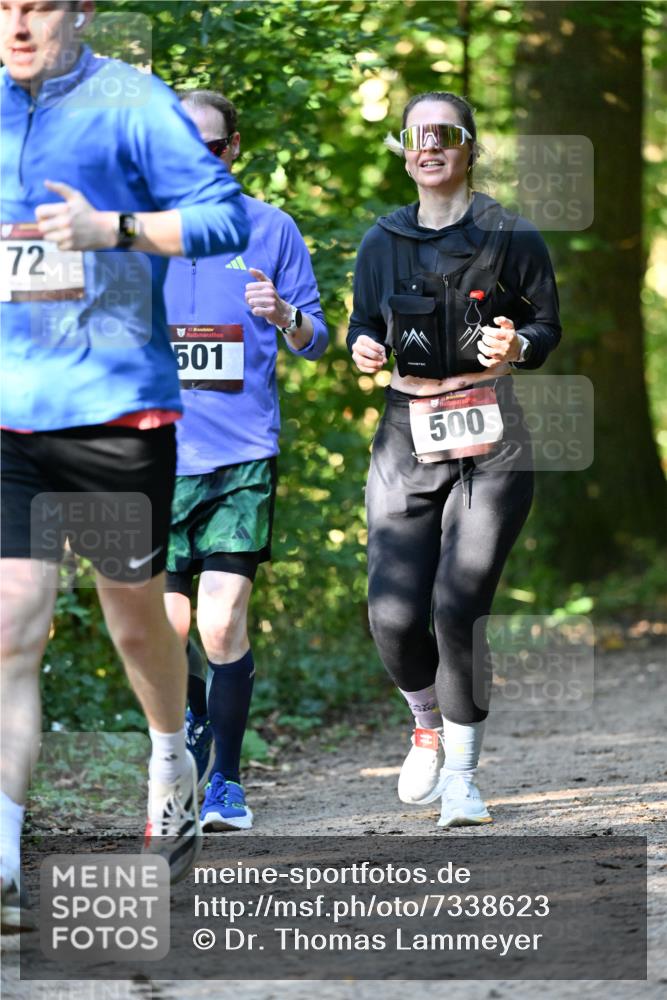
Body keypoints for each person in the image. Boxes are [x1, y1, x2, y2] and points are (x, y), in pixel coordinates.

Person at [0, 0, 249, 930]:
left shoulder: (134, 101)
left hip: (114, 411)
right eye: (5, 5)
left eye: (38, 5)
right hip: (8, 417)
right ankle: (4, 856)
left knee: (135, 623)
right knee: (9, 626)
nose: (18, 23)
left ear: (82, 11)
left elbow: (222, 219)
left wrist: (117, 231)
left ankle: (168, 756)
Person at [347, 92, 561, 827]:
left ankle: (464, 780)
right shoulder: (381, 240)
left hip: (489, 433)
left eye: (443, 134)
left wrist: (519, 346)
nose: (428, 146)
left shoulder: (511, 233)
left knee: (456, 606)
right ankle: (426, 728)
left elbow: (544, 324)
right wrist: (361, 347)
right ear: (402, 150)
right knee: (392, 615)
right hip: (407, 432)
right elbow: (360, 326)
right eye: (415, 136)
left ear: (469, 147)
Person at [162, 90, 328, 832]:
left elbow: (317, 339)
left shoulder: (271, 228)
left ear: (233, 148)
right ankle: (190, 738)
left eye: (209, 145)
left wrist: (285, 316)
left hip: (240, 459)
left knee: (221, 624)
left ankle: (225, 780)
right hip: (152, 458)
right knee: (164, 630)